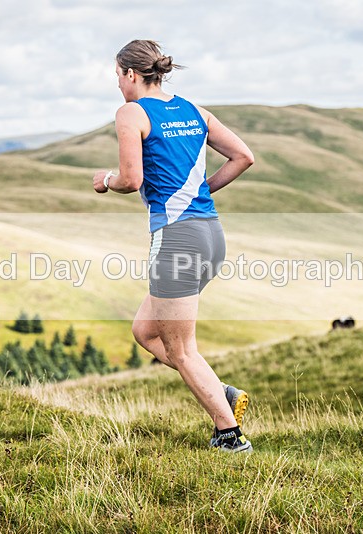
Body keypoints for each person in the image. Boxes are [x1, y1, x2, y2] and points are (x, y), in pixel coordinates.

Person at [92, 40, 255, 453]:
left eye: (117, 77)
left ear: (131, 75)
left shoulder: (131, 113)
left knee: (181, 349)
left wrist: (105, 180)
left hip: (176, 237)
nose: (118, 86)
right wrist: (203, 191)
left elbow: (131, 179)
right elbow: (243, 156)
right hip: (210, 234)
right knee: (146, 331)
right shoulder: (193, 110)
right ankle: (224, 395)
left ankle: (229, 434)